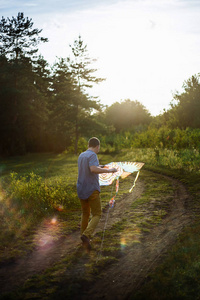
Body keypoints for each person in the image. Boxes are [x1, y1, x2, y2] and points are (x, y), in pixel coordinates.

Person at [77, 137, 117, 251]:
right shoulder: (93, 155)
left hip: (81, 188)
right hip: (91, 190)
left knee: (85, 213)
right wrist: (110, 171)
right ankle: (86, 235)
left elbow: (91, 167)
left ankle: (84, 239)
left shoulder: (81, 155)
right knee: (97, 214)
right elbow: (93, 169)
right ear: (97, 146)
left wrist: (103, 166)